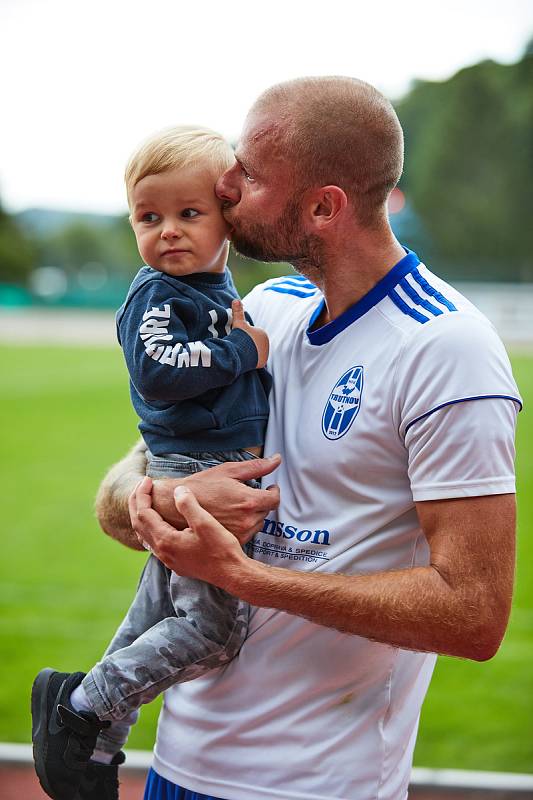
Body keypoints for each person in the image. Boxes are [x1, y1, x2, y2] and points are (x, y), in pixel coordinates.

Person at [103, 77, 521, 800]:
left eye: (250, 174)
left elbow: (473, 614)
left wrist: (245, 579)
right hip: (176, 762)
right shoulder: (264, 309)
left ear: (322, 206)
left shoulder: (447, 348)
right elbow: (121, 490)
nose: (225, 185)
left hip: (315, 785)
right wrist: (165, 496)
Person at [30, 125, 272, 800]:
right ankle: (81, 710)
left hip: (209, 455)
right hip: (194, 463)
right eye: (148, 216)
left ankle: (97, 749)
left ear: (229, 214)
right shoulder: (156, 295)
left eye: (188, 213)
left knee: (153, 617)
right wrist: (243, 354)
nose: (167, 231)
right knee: (209, 633)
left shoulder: (213, 289)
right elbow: (160, 369)